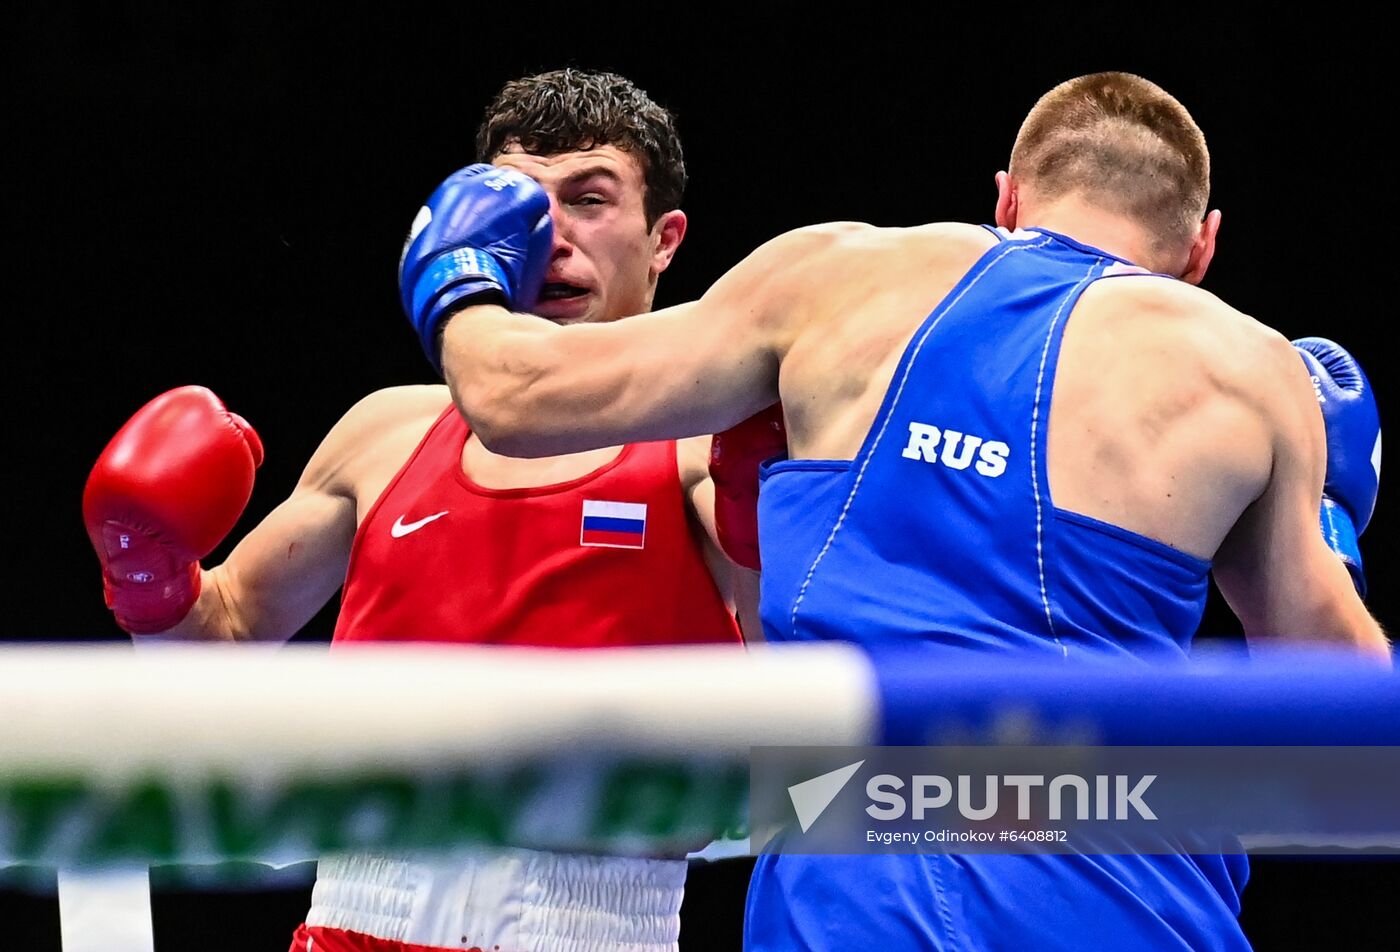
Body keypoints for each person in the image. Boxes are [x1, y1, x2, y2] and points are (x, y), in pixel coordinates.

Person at [403, 71, 1388, 949]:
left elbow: (515, 396)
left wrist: (461, 278)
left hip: (858, 878)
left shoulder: (838, 276)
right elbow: (1344, 716)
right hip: (1126, 882)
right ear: (1200, 247)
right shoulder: (1249, 368)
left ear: (1005, 199)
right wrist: (1327, 522)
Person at [82, 68, 763, 952]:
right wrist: (149, 577)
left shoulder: (702, 451)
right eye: (516, 202)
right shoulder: (385, 432)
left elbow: (810, 680)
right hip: (354, 918)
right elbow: (224, 637)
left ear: (664, 239)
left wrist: (767, 494)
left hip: (594, 921)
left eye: (589, 200)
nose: (549, 235)